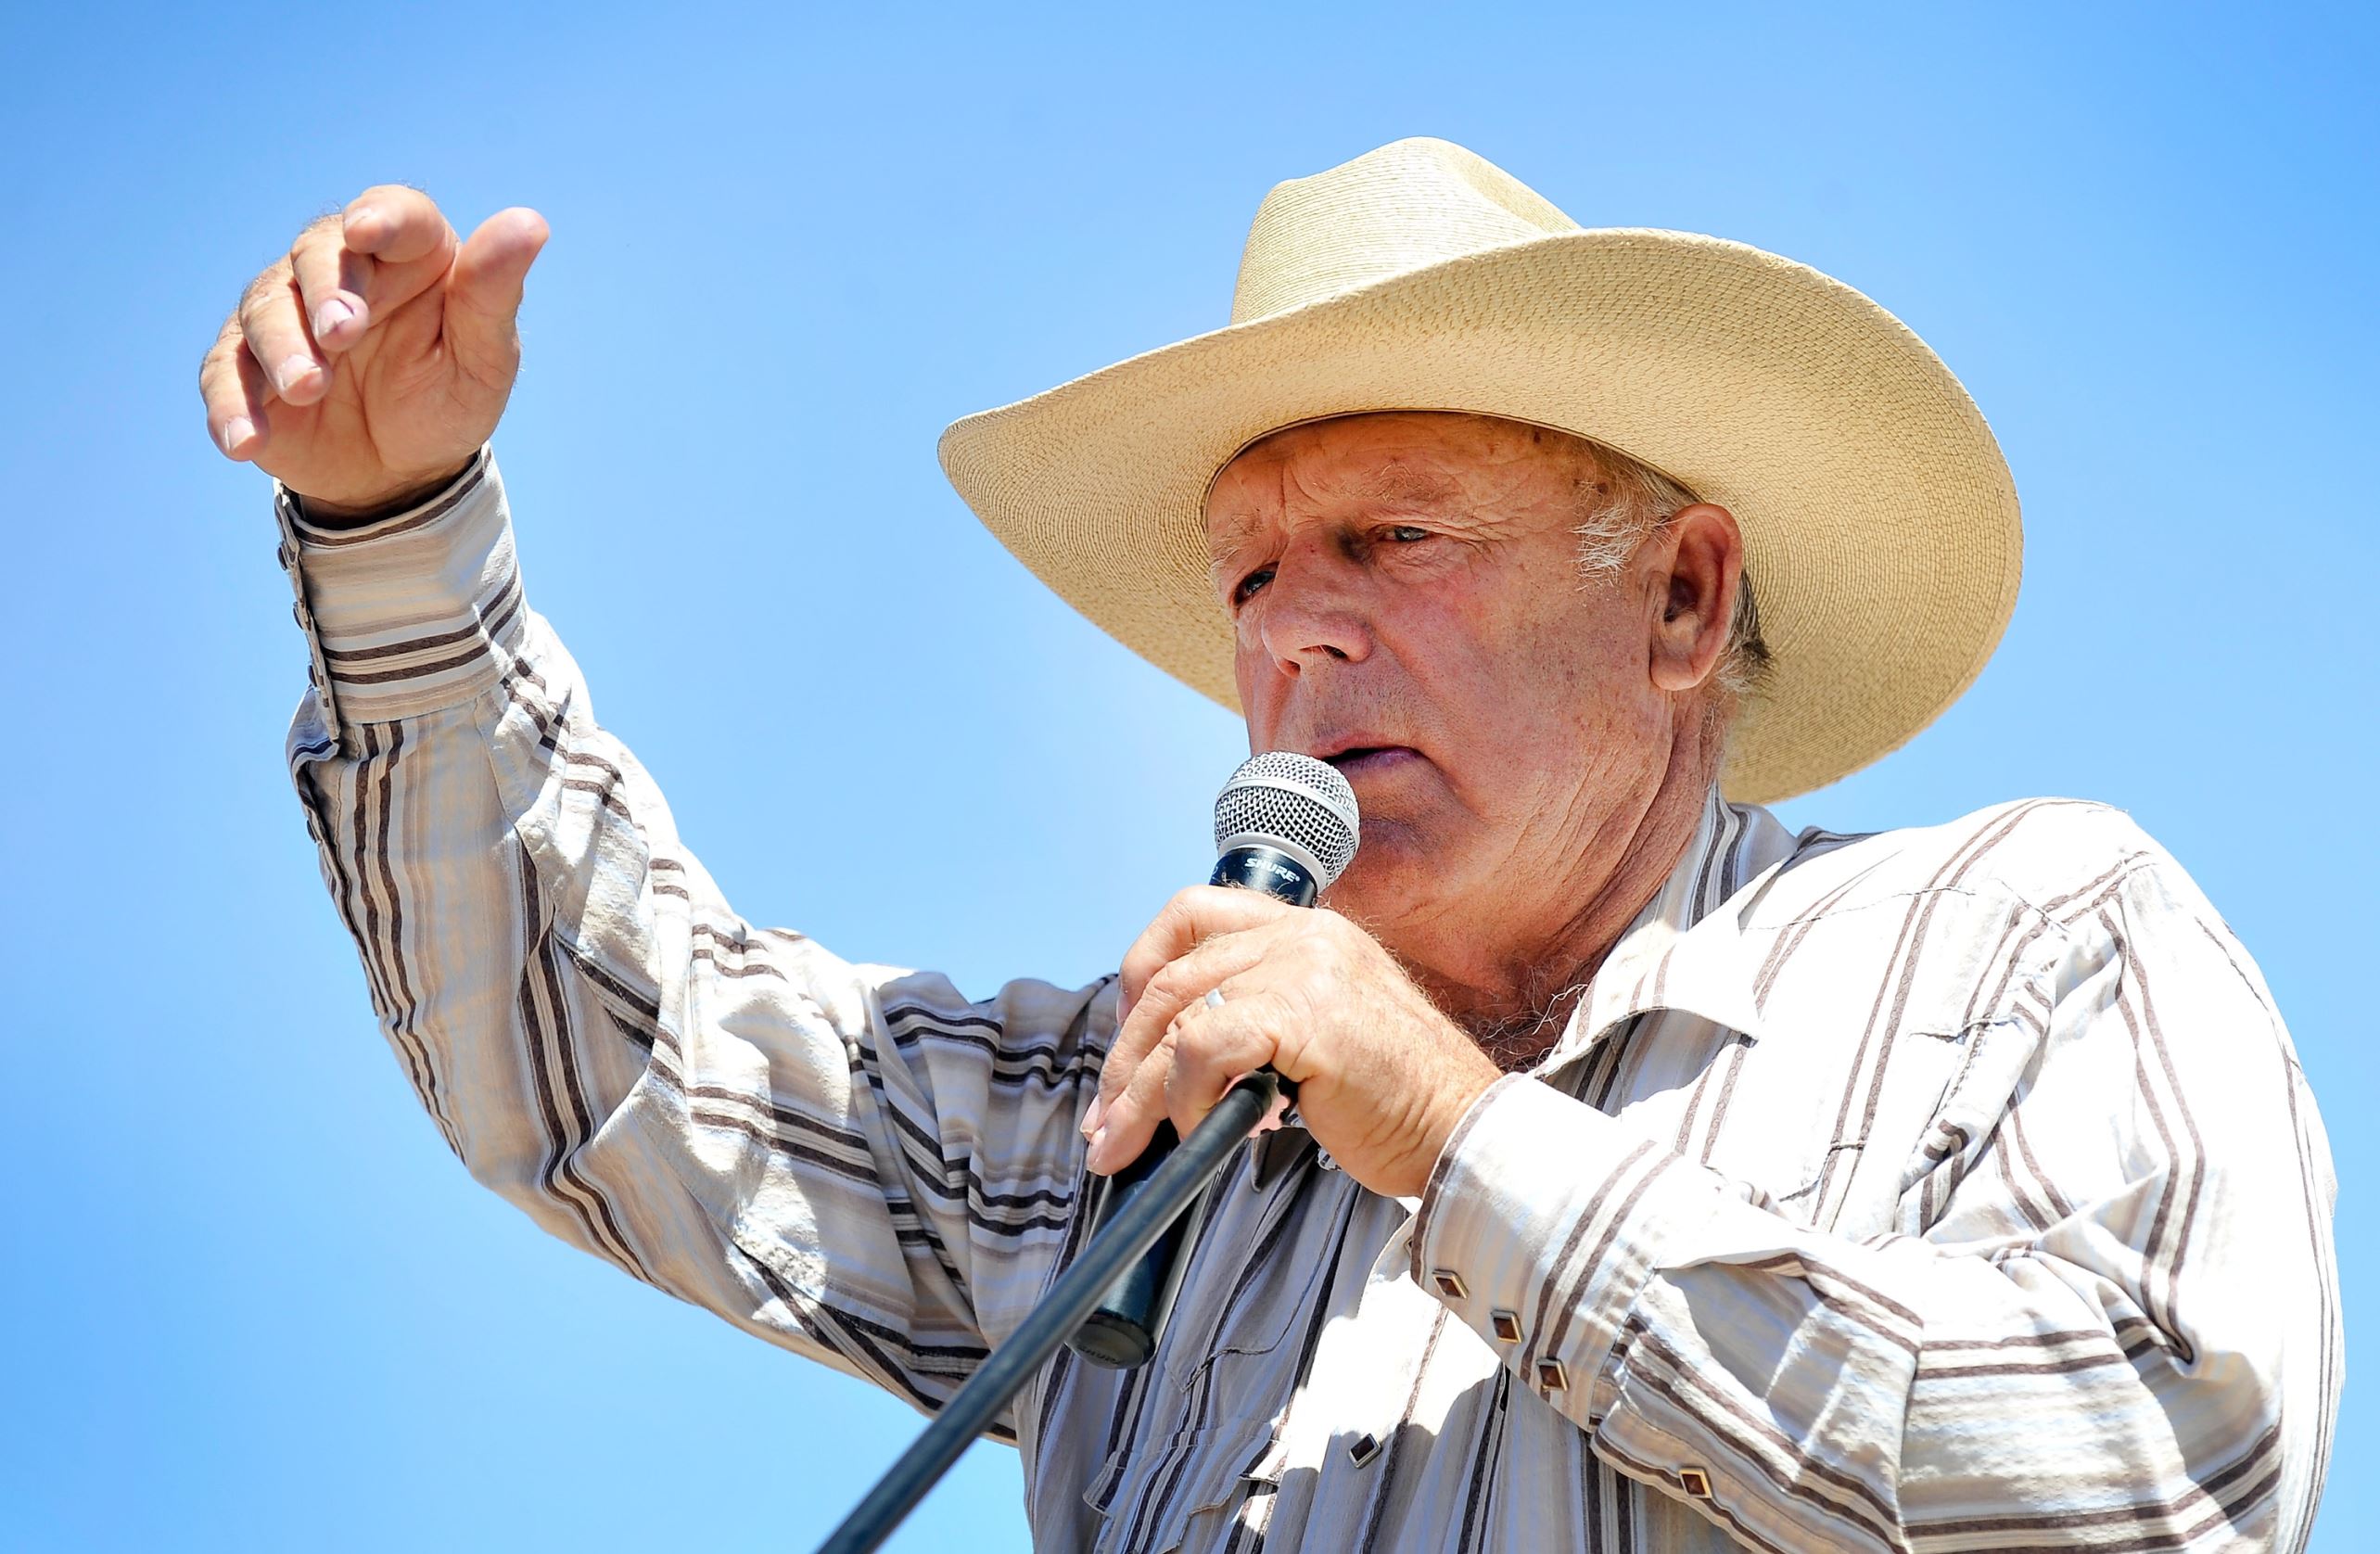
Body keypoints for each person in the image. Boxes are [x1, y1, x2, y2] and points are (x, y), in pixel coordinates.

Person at [201, 138, 2340, 1551]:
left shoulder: (2021, 936)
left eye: (1392, 538)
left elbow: (2174, 1469)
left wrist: (1460, 1141)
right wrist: (394, 541)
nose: (1299, 626)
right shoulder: (1147, 1116)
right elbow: (615, 1067)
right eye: (1248, 577)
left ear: (1685, 601)